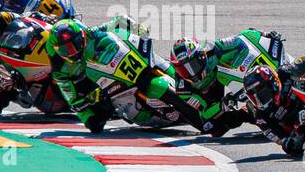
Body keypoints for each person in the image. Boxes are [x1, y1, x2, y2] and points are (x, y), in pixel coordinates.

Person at [46, 17, 210, 133]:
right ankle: (123, 110)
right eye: (64, 50)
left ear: (80, 37)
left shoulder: (90, 33)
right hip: (97, 82)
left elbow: (118, 20)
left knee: (159, 61)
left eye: (73, 46)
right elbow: (69, 93)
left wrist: (139, 29)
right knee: (95, 124)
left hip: (119, 63)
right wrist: (83, 108)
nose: (71, 52)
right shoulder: (61, 67)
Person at [169, 29, 287, 136]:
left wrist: (264, 35)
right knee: (213, 128)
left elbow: (243, 37)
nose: (189, 73)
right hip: (209, 98)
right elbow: (205, 113)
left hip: (220, 78)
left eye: (191, 66)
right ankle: (249, 113)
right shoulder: (183, 89)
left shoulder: (213, 48)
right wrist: (223, 104)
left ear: (201, 55)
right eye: (182, 69)